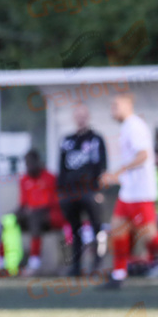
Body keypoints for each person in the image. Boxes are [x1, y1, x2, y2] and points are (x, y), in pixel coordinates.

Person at [100, 93, 158, 288]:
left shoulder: (134, 126)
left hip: (140, 192)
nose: (113, 110)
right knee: (117, 228)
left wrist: (118, 173)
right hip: (128, 191)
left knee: (150, 236)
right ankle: (118, 274)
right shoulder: (126, 127)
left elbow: (144, 155)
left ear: (128, 105)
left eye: (116, 105)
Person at [58, 101, 107, 275]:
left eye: (83, 115)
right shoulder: (67, 141)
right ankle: (76, 266)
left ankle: (97, 265)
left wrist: (99, 190)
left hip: (90, 191)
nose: (81, 119)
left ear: (88, 117)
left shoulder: (96, 139)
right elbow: (62, 168)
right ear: (74, 117)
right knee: (75, 230)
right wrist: (61, 193)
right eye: (78, 115)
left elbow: (102, 166)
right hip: (71, 194)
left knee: (97, 228)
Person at [16, 149, 63, 275]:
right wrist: (18, 213)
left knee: (35, 217)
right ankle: (4, 262)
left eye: (31, 163)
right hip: (32, 216)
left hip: (50, 217)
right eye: (27, 164)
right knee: (8, 221)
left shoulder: (50, 177)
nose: (29, 167)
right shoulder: (24, 179)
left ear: (38, 162)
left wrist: (34, 209)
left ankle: (34, 262)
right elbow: (22, 203)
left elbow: (53, 202)